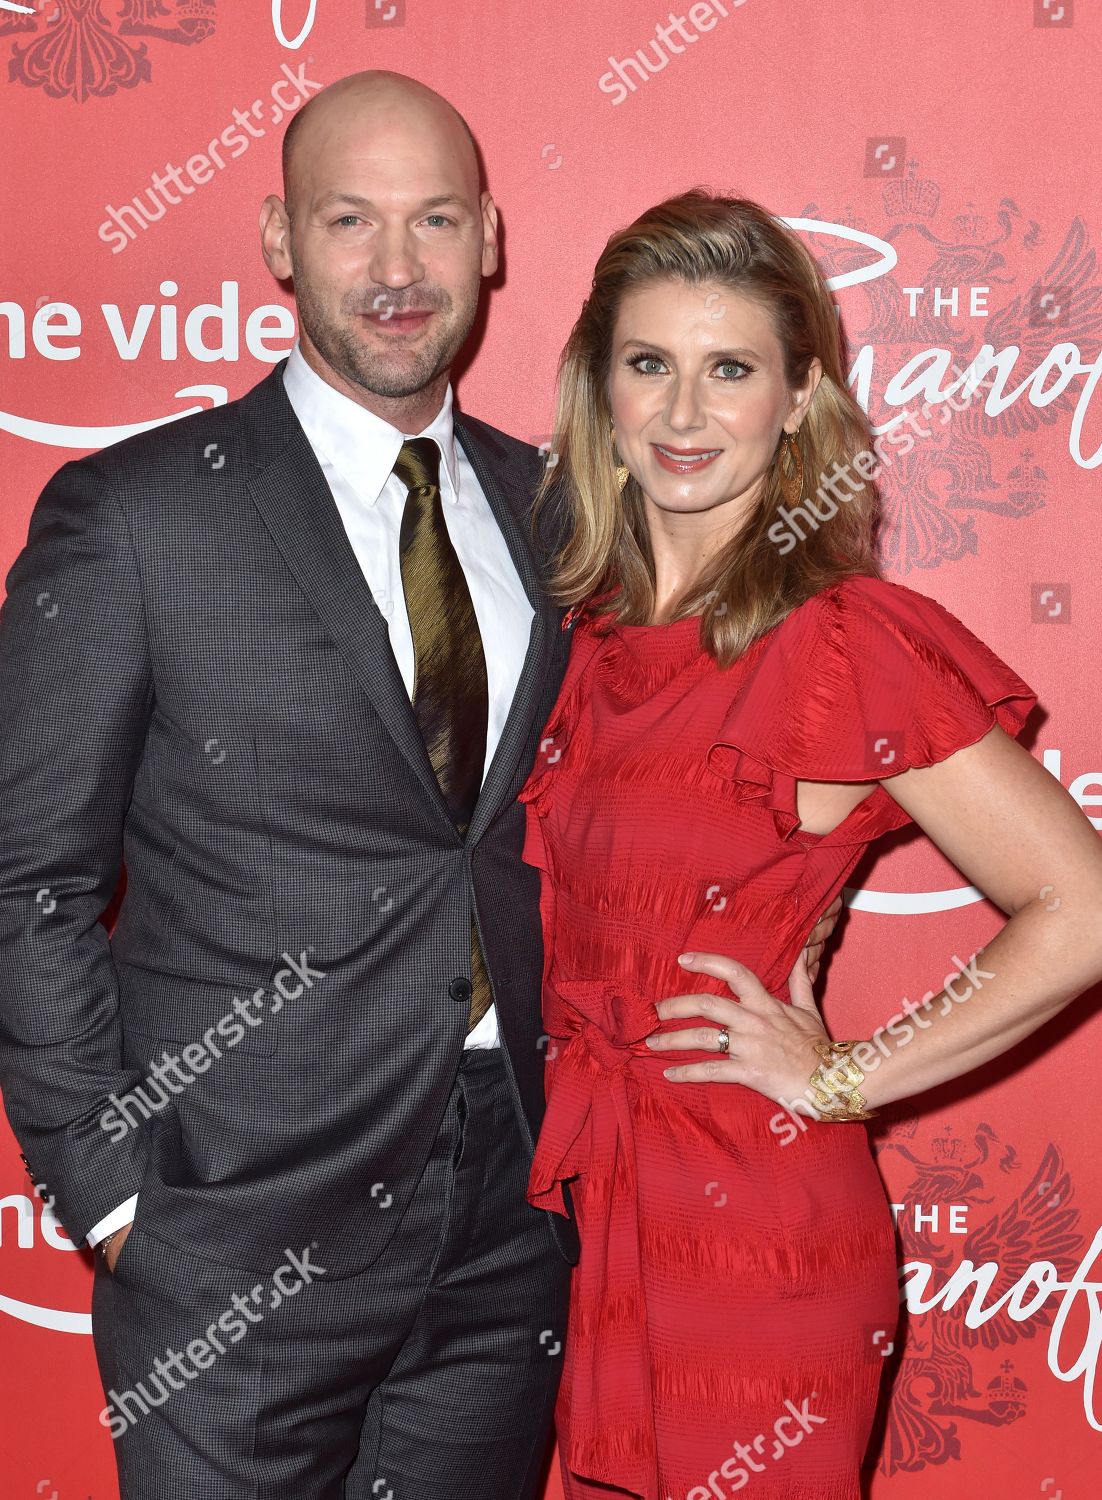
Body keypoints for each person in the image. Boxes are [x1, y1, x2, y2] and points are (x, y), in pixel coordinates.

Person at [0, 79, 835, 1498]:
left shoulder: (566, 512)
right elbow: (28, 880)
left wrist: (792, 952)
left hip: (509, 1206)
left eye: (434, 219)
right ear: (277, 237)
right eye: (350, 221)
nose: (397, 271)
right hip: (231, 1222)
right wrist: (116, 1195)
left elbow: (689, 778)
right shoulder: (138, 518)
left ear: (492, 239)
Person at [518, 190, 1102, 1500]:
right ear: (596, 387)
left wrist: (844, 1080)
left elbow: (1082, 909)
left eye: (729, 370)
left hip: (749, 1234)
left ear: (796, 403)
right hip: (562, 1218)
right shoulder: (570, 635)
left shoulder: (841, 643)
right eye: (648, 365)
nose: (681, 415)